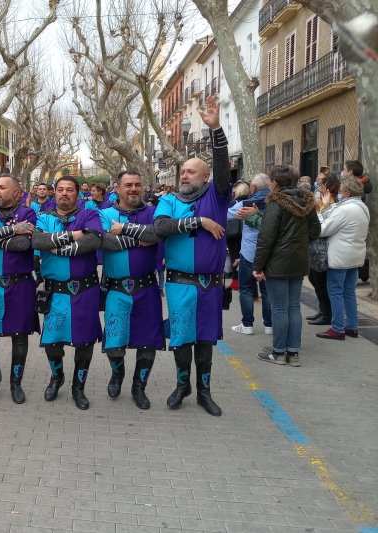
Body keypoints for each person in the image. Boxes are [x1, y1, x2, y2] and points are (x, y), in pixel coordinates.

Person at [152, 95, 231, 416]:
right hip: (180, 283)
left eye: (191, 172)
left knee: (206, 339)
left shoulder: (218, 196)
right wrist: (197, 221)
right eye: (182, 171)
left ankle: (204, 392)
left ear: (205, 177)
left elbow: (224, 167)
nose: (184, 176)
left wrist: (216, 131)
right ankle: (182, 385)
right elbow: (160, 227)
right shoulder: (170, 201)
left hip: (210, 284)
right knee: (182, 338)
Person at [31, 176, 102, 410]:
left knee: (85, 343)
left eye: (69, 190)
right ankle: (56, 376)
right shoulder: (43, 216)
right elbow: (36, 240)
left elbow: (94, 239)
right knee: (52, 342)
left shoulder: (88, 214)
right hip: (55, 293)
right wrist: (73, 236)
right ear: (54, 193)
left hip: (85, 291)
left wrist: (59, 249)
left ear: (77, 194)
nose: (64, 193)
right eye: (60, 189)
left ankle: (78, 387)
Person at [99, 170, 164, 410]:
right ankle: (118, 374)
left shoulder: (153, 212)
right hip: (116, 289)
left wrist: (124, 230)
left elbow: (158, 234)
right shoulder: (104, 213)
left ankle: (139, 386)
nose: (134, 189)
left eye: (137, 185)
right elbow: (105, 241)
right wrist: (141, 238)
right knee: (114, 344)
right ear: (117, 188)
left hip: (147, 287)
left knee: (148, 343)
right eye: (128, 185)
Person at [0, 175, 39, 404]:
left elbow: (24, 244)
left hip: (20, 284)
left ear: (17, 193)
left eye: (3, 188)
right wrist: (12, 231)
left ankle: (16, 383)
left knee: (19, 336)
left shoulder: (28, 214)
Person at [252, 165, 320, 366]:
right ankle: (293, 352)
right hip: (298, 260)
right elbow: (315, 230)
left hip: (277, 262)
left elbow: (266, 237)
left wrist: (258, 266)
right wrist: (299, 243)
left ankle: (279, 351)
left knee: (279, 308)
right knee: (293, 307)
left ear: (274, 183)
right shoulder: (307, 202)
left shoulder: (275, 203)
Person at [315, 177, 369, 340]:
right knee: (348, 292)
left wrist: (318, 211)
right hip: (355, 255)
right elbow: (335, 213)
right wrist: (327, 207)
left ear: (347, 193)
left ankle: (338, 328)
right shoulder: (361, 207)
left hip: (340, 256)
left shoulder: (345, 209)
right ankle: (351, 326)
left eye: (340, 191)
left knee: (335, 291)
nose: (338, 193)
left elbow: (323, 230)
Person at [227, 174, 271, 335]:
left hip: (249, 252)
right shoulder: (275, 202)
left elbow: (227, 214)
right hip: (269, 252)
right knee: (267, 291)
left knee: (246, 288)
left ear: (253, 188)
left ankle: (247, 324)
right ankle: (269, 325)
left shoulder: (244, 204)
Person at [307, 174, 340, 326]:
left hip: (323, 248)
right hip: (316, 247)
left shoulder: (331, 203)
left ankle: (327, 313)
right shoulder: (324, 201)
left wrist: (320, 208)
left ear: (327, 188)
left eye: (321, 185)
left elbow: (324, 226)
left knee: (320, 281)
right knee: (314, 279)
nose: (318, 187)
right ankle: (323, 310)